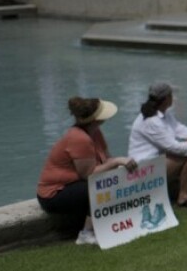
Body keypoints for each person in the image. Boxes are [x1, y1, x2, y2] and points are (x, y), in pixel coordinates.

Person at [37, 97, 138, 245]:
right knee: (100, 186)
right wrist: (117, 162)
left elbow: (106, 159)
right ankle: (86, 233)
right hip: (54, 194)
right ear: (96, 119)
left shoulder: (95, 132)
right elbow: (88, 174)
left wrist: (121, 164)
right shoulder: (79, 138)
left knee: (112, 180)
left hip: (73, 185)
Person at [128, 82, 187, 208]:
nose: (173, 97)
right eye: (171, 95)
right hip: (144, 171)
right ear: (166, 99)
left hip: (155, 163)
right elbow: (173, 147)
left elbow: (178, 128)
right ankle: (184, 196)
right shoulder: (152, 121)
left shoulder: (162, 114)